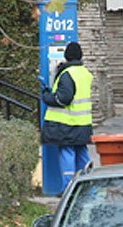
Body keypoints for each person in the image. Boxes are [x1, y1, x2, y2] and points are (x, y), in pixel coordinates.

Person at [41, 42, 94, 194]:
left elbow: (63, 99)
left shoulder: (67, 74)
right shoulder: (85, 73)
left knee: (67, 153)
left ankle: (67, 189)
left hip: (67, 123)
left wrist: (47, 96)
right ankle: (89, 186)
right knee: (82, 153)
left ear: (66, 56)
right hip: (83, 123)